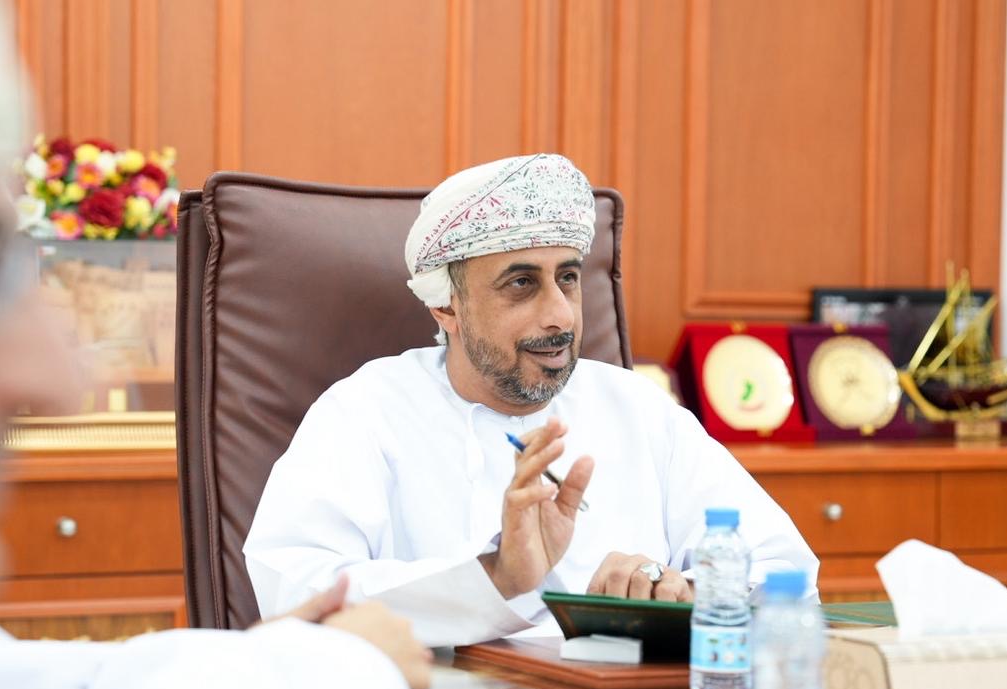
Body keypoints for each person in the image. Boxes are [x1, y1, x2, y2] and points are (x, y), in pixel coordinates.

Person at [0, 1, 431, 689]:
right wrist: (349, 671)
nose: (61, 383)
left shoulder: (624, 408)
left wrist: (262, 662)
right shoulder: (364, 404)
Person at [245, 153, 818, 647]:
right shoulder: (365, 411)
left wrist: (680, 595)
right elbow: (297, 597)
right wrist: (495, 577)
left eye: (567, 278)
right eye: (521, 284)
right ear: (445, 307)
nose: (561, 316)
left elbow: (787, 578)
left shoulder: (637, 409)